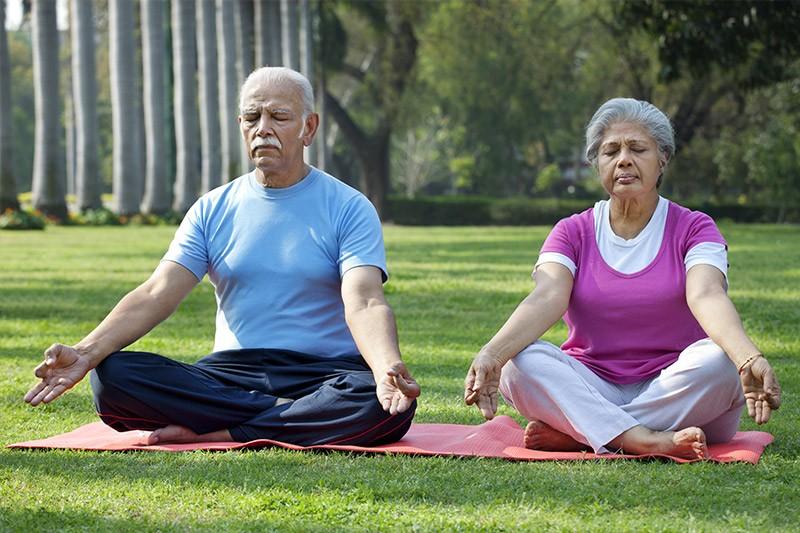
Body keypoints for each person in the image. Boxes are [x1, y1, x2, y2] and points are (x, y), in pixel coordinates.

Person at [24, 66, 419, 446]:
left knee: (379, 401)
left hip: (322, 372)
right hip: (233, 374)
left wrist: (385, 368)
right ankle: (292, 417)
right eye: (252, 117)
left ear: (308, 127)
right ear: (241, 126)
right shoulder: (211, 208)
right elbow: (157, 293)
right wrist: (87, 352)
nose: (263, 128)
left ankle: (224, 430)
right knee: (112, 377)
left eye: (279, 116)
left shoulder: (349, 207)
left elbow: (365, 300)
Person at [464, 98, 781, 459]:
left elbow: (706, 295)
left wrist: (746, 358)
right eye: (610, 151)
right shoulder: (573, 231)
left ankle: (586, 433)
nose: (623, 159)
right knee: (518, 362)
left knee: (720, 361)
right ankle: (640, 439)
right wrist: (492, 354)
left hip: (679, 391)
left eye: (637, 149)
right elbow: (547, 296)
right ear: (596, 163)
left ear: (662, 158)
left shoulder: (694, 227)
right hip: (594, 386)